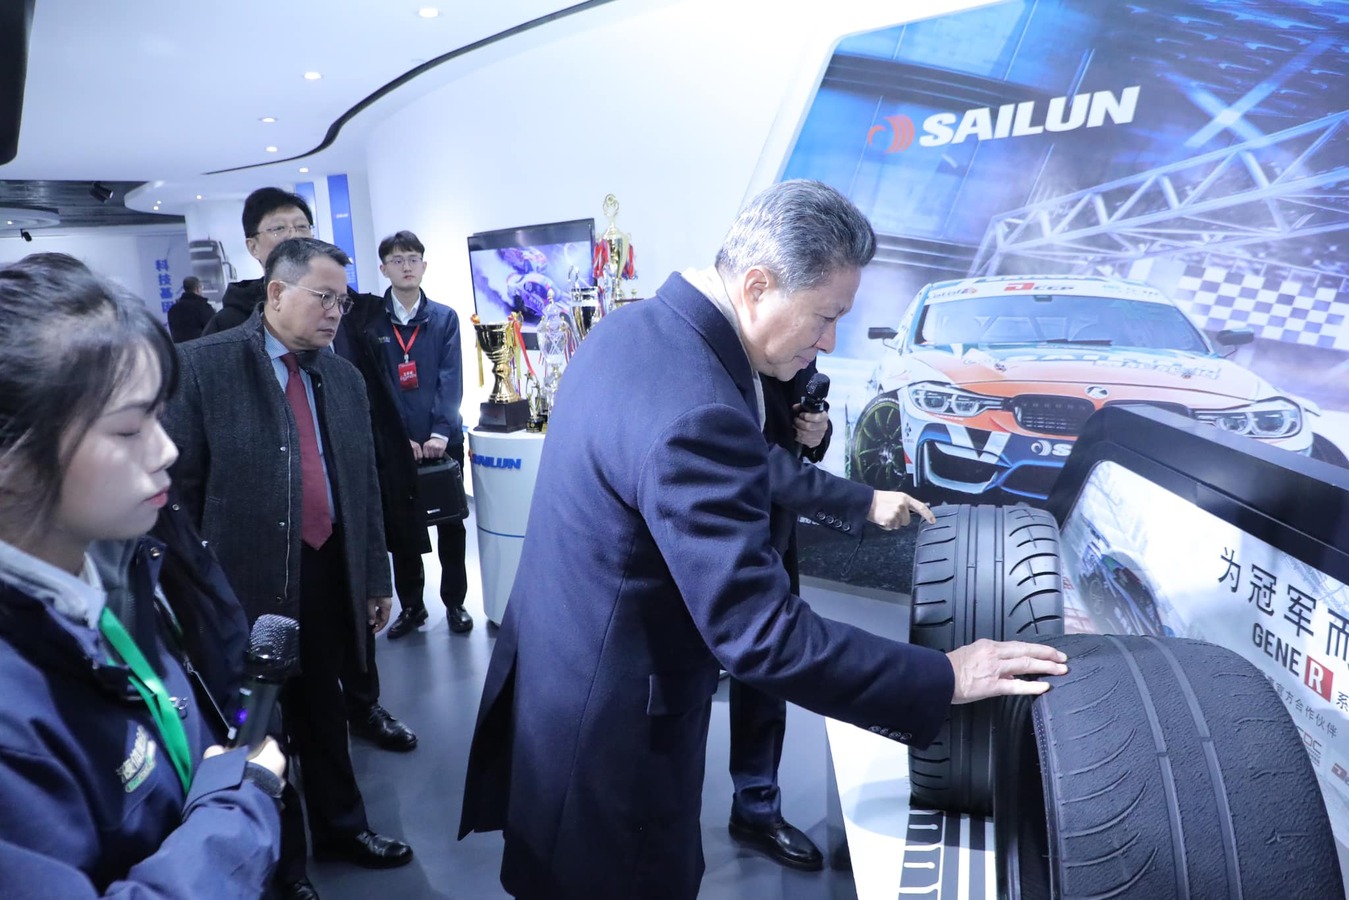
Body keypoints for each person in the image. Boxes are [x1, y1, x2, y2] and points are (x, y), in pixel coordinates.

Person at [458, 180, 1068, 899]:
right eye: (825, 316)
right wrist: (944, 677)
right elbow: (760, 634)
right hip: (611, 735)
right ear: (757, 286)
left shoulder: (633, 331)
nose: (829, 341)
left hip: (561, 684)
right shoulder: (697, 407)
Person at [0, 253, 286, 897]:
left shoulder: (113, 565)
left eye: (158, 417)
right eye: (129, 429)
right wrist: (239, 811)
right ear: (11, 458)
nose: (166, 450)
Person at [164, 238, 414, 900]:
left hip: (328, 566)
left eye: (343, 301)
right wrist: (192, 598)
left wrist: (375, 576)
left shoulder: (343, 378)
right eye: (323, 297)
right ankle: (283, 864)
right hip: (241, 581)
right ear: (276, 293)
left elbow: (361, 485)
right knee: (259, 728)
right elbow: (178, 495)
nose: (335, 312)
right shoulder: (204, 367)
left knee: (325, 708)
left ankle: (344, 827)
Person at [204, 187, 419, 754]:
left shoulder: (341, 357)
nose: (334, 311)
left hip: (336, 538)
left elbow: (363, 468)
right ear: (257, 252)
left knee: (335, 677)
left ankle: (357, 724)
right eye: (280, 229)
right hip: (256, 562)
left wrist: (376, 572)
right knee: (265, 714)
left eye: (303, 226)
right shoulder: (212, 356)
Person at [725, 361, 935, 870]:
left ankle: (754, 807)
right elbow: (747, 455)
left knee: (764, 675)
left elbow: (791, 427)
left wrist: (816, 432)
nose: (827, 343)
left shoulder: (797, 346)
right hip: (713, 531)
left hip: (771, 532)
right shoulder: (707, 355)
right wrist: (863, 502)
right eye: (824, 323)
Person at [367, 230, 473, 638]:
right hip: (398, 445)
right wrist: (399, 439)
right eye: (397, 260)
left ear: (424, 265)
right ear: (384, 269)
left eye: (413, 258)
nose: (406, 266)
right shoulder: (373, 322)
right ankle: (412, 606)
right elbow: (379, 384)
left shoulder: (444, 318)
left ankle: (455, 602)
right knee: (403, 528)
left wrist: (441, 432)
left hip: (443, 441)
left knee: (452, 524)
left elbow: (451, 378)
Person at [166, 275, 214, 343]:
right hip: (200, 346)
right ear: (197, 289)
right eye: (201, 287)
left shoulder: (173, 309)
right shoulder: (204, 307)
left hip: (180, 348)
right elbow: (212, 330)